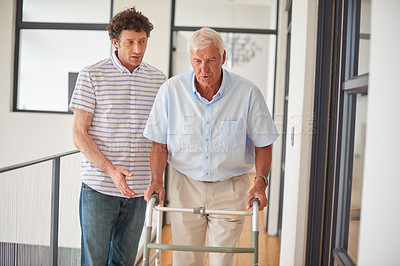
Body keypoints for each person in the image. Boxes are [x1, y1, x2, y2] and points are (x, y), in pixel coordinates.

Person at [143, 27, 279, 266]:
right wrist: (156, 180)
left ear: (223, 58)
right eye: (197, 61)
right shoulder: (171, 91)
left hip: (231, 188)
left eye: (211, 60)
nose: (203, 69)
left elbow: (263, 143)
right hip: (185, 185)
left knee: (222, 261)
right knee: (185, 259)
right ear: (190, 59)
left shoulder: (247, 93)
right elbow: (159, 143)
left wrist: (260, 182)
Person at [69, 7, 166, 266]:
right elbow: (79, 134)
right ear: (115, 42)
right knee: (94, 261)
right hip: (99, 187)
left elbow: (160, 137)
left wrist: (157, 179)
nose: (138, 49)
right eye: (130, 42)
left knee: (124, 262)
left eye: (142, 41)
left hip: (139, 192)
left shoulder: (158, 80)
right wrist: (111, 170)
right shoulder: (92, 75)